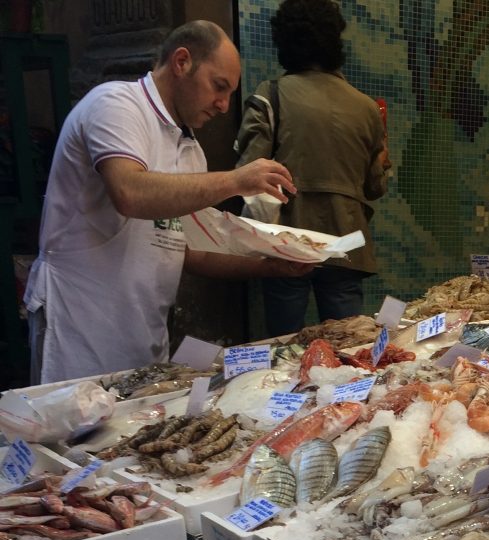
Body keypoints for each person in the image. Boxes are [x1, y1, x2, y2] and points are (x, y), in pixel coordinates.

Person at [24, 20, 311, 385]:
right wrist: (236, 181)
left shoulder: (191, 151)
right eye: (218, 87)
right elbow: (130, 192)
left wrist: (271, 266)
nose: (224, 105)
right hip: (80, 331)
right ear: (181, 62)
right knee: (69, 440)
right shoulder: (115, 104)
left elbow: (190, 251)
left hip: (143, 338)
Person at [235, 0, 390, 336]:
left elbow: (247, 176)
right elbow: (375, 188)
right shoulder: (366, 109)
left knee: (282, 348)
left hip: (288, 245)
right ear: (335, 42)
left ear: (284, 42)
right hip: (348, 246)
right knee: (349, 347)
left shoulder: (271, 96)